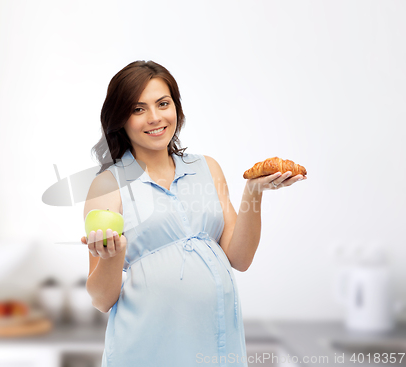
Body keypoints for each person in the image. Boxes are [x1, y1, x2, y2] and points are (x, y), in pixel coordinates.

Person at [80, 60, 307, 367]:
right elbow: (100, 299)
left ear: (177, 108)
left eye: (163, 103)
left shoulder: (207, 168)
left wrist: (253, 192)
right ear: (120, 118)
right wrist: (111, 256)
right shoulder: (108, 185)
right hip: (146, 350)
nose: (155, 117)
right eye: (138, 109)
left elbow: (239, 259)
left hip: (214, 344)